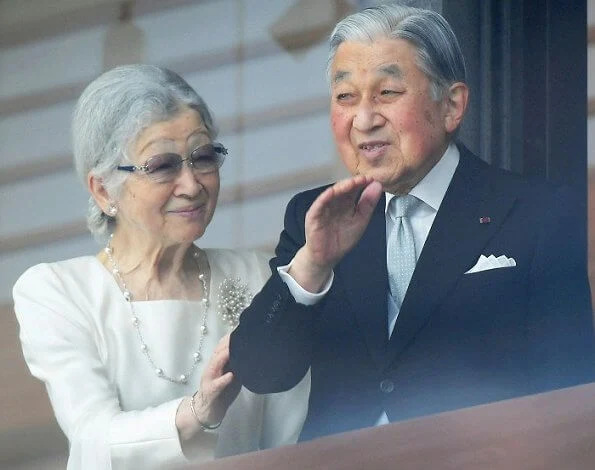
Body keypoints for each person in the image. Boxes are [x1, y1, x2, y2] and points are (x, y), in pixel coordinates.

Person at [229, 4, 595, 442]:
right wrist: (312, 265)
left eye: (387, 93)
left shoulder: (537, 214)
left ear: (452, 105)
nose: (364, 120)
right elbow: (262, 371)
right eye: (346, 97)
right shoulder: (315, 217)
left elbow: (569, 390)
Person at [12, 64, 309, 469]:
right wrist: (198, 413)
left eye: (203, 157)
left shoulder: (256, 277)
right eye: (163, 166)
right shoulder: (59, 292)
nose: (192, 184)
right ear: (102, 189)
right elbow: (93, 438)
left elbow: (295, 441)